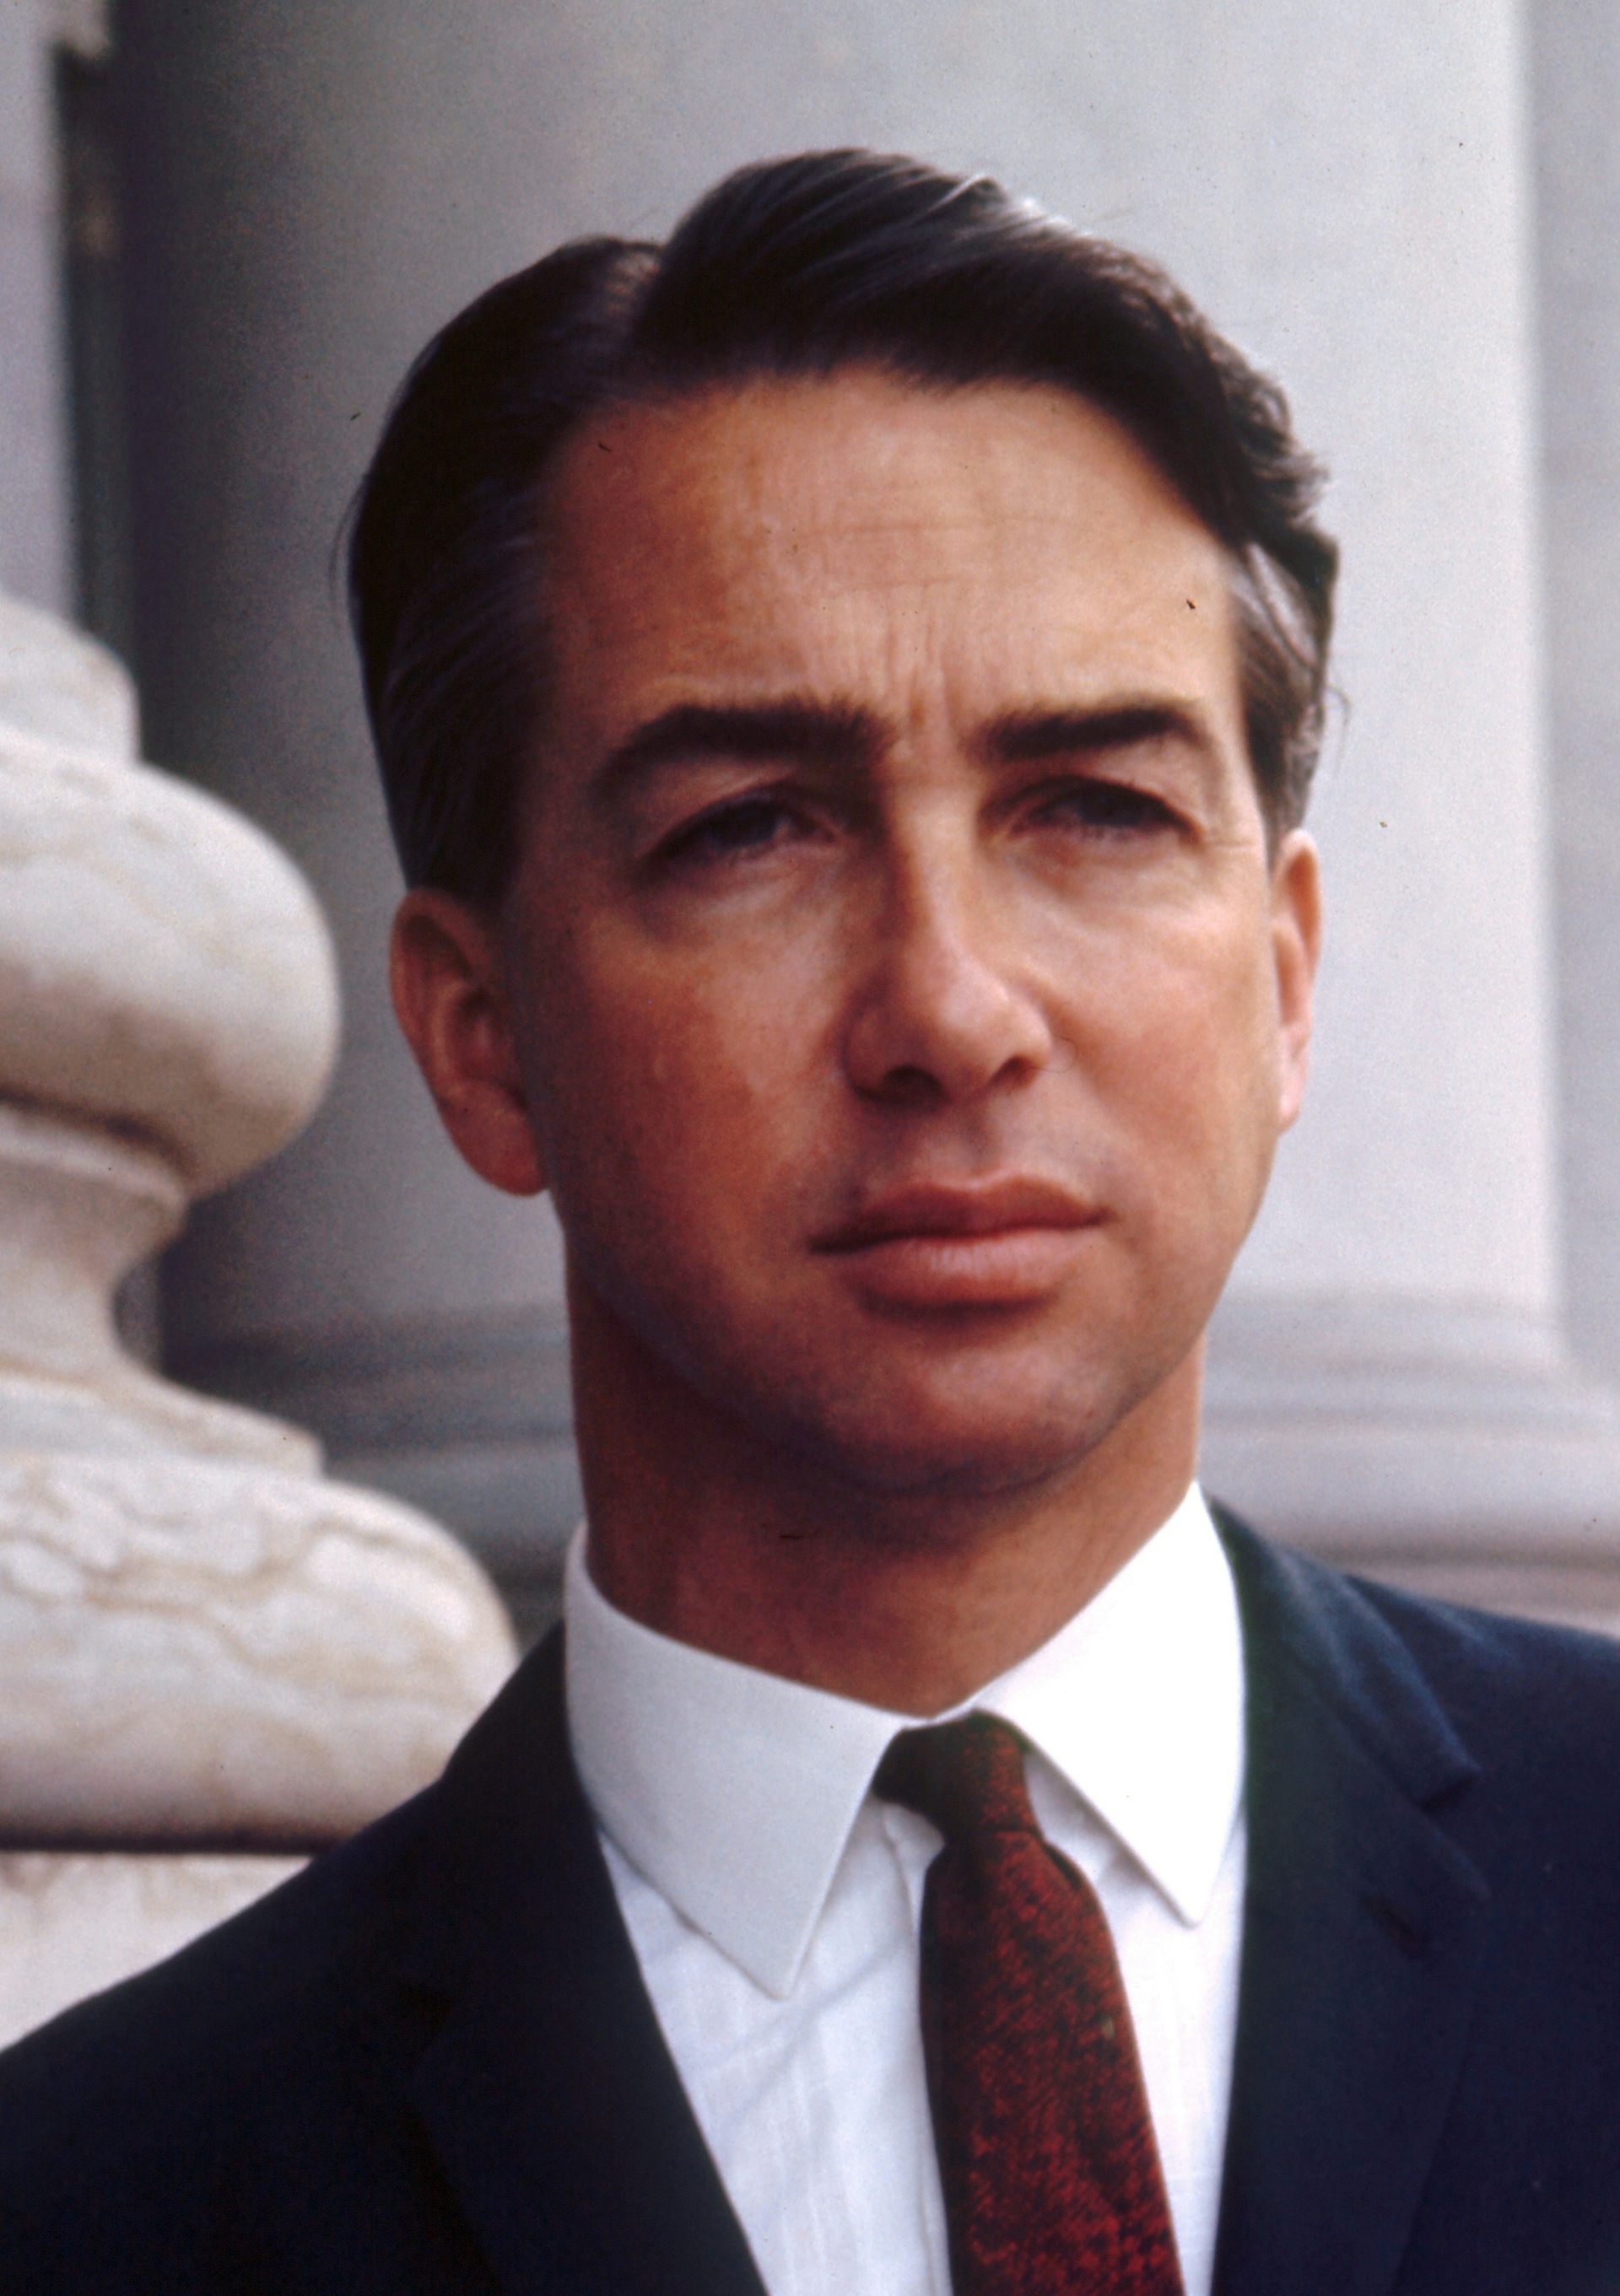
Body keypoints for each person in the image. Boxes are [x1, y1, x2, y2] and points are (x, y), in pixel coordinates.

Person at [3, 147, 1620, 2296]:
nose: (950, 1006)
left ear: (1286, 978)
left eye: (1097, 807)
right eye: (752, 826)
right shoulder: (96, 2202)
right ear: (482, 1037)